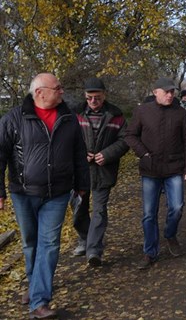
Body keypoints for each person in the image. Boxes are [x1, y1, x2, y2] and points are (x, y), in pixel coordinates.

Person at [0, 73, 89, 319]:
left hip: (58, 193)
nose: (62, 91)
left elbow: (79, 152)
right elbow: (0, 154)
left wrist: (82, 184)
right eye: (57, 88)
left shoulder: (68, 118)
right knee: (30, 243)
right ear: (40, 92)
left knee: (49, 244)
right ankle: (35, 284)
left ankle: (39, 300)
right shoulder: (14, 118)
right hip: (23, 193)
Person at [125, 77, 186, 270]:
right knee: (149, 214)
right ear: (155, 91)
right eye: (166, 92)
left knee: (177, 207)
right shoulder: (142, 111)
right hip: (151, 169)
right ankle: (150, 251)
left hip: (174, 168)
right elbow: (130, 135)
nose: (170, 95)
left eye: (172, 91)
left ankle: (170, 234)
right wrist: (143, 153)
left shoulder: (180, 113)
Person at [72, 77, 129, 267]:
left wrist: (107, 154)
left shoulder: (116, 115)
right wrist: (81, 155)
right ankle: (85, 238)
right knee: (79, 209)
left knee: (99, 210)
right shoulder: (76, 114)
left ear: (104, 95)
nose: (93, 101)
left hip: (104, 171)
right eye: (89, 98)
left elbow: (124, 141)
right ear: (85, 96)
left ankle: (94, 250)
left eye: (97, 97)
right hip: (79, 172)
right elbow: (67, 139)